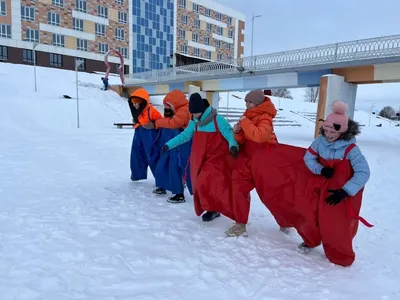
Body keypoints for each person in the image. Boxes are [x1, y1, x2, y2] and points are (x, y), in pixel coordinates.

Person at [300, 100, 372, 267]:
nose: (328, 135)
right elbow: (308, 158)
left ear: (343, 131)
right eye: (326, 130)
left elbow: (363, 173)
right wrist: (320, 169)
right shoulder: (319, 142)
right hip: (318, 188)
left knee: (336, 224)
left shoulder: (351, 150)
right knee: (310, 215)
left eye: (332, 132)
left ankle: (339, 254)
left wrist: (346, 191)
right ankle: (311, 240)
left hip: (339, 194)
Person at [162, 92, 239, 222]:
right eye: (193, 114)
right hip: (199, 158)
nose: (195, 116)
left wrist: (233, 145)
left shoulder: (217, 119)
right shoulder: (194, 121)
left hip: (216, 158)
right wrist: (169, 145)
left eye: (197, 113)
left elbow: (229, 134)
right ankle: (211, 208)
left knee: (206, 181)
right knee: (199, 184)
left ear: (203, 110)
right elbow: (185, 136)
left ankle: (213, 208)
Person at [225, 89, 279, 237]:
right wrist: (237, 132)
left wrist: (244, 122)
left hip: (264, 158)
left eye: (250, 102)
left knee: (270, 194)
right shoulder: (247, 115)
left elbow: (260, 136)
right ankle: (240, 223)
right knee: (239, 187)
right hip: (247, 156)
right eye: (246, 101)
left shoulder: (265, 117)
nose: (247, 104)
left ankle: (286, 220)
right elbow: (242, 139)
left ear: (258, 102)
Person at [142, 90, 192, 203]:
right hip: (173, 143)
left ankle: (179, 193)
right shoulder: (178, 110)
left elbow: (174, 123)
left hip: (181, 144)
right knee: (165, 164)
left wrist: (156, 124)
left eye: (168, 105)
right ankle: (164, 185)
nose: (166, 107)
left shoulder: (184, 110)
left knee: (176, 166)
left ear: (176, 103)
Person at [128, 88, 163, 182]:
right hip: (139, 133)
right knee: (137, 154)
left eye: (136, 103)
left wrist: (153, 125)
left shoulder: (152, 111)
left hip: (150, 135)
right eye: (133, 103)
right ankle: (137, 175)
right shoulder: (137, 111)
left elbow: (160, 121)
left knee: (152, 156)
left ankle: (161, 178)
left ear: (141, 102)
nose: (134, 105)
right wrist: (137, 122)